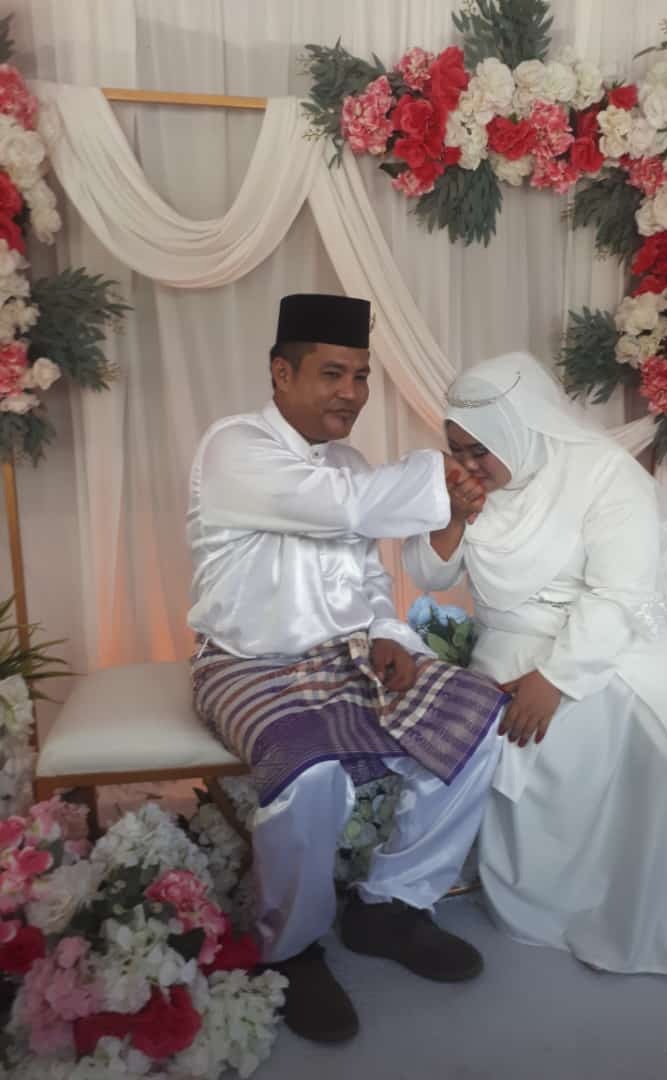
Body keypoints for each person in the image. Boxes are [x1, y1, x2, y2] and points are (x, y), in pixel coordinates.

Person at [186, 293, 506, 1044]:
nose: (352, 394)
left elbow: (364, 569)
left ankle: (392, 904)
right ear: (281, 372)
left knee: (479, 720)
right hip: (245, 663)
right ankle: (292, 949)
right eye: (332, 374)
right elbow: (345, 508)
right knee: (311, 770)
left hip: (347, 654)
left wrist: (389, 630)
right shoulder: (234, 447)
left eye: (360, 376)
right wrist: (442, 479)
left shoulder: (350, 464)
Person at [403, 352, 667, 976]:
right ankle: (538, 906)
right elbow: (429, 574)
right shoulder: (468, 488)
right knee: (499, 729)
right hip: (505, 645)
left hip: (607, 642)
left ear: (518, 429)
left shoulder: (604, 475)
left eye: (480, 450)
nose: (468, 464)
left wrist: (556, 680)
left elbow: (619, 594)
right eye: (457, 449)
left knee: (597, 724)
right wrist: (452, 515)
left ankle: (614, 908)